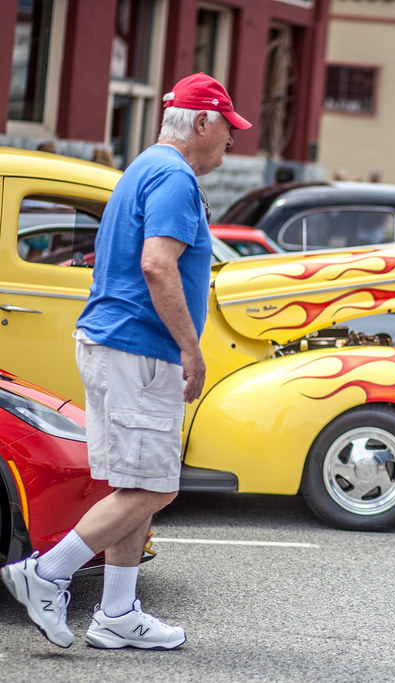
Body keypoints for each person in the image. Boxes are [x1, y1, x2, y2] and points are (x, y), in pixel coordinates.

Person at [1, 73, 251, 650]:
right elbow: (158, 265)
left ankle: (116, 613)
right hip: (140, 350)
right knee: (154, 489)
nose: (231, 142)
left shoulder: (143, 167)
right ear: (203, 122)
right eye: (228, 129)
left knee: (132, 483)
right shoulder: (174, 178)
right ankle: (46, 573)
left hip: (113, 344)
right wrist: (192, 349)